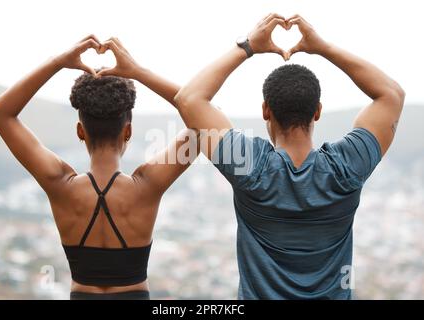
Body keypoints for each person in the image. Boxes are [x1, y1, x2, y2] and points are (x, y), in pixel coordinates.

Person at [172, 13, 405, 299]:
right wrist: (322, 47)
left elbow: (189, 98)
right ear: (317, 111)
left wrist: (248, 47)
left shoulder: (250, 167)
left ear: (265, 110)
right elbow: (391, 95)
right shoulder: (346, 168)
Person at [0, 35, 199, 300]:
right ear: (128, 131)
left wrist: (58, 62)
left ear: (80, 131)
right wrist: (138, 72)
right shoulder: (148, 185)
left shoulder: (58, 182)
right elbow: (204, 118)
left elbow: (1, 113)